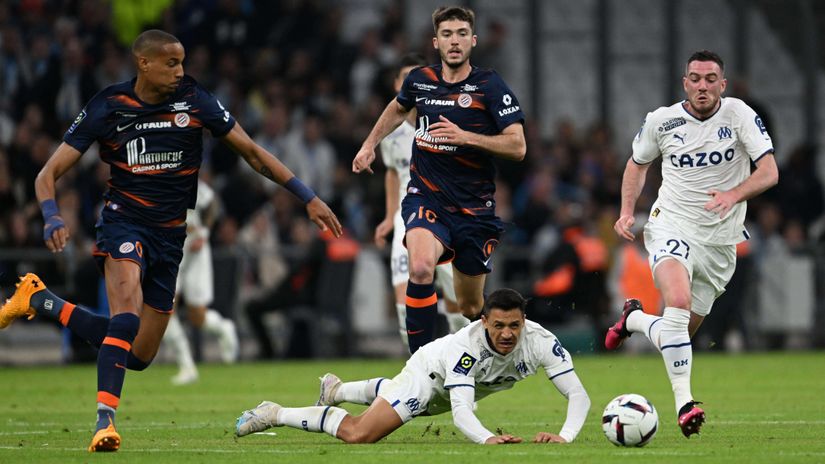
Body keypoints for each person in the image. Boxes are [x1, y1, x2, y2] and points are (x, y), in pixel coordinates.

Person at [0, 30, 341, 452]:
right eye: (171, 63)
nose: (181, 71)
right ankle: (104, 422)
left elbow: (251, 152)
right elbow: (46, 174)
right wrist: (52, 216)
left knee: (139, 354)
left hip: (171, 234)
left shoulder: (196, 101)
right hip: (123, 224)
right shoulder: (109, 105)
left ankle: (39, 300)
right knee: (124, 319)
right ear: (144, 64)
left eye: (182, 62)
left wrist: (307, 197)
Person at [605, 50, 779, 437]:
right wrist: (626, 211)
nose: (702, 86)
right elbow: (637, 163)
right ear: (685, 82)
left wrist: (733, 195)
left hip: (720, 242)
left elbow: (769, 171)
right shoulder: (661, 121)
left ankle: (633, 319)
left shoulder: (739, 115)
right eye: (695, 79)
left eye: (710, 79)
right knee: (678, 303)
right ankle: (685, 404)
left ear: (723, 84)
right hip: (671, 225)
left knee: (679, 332)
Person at [353, 6, 526, 354]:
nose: (455, 41)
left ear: (473, 41)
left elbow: (518, 145)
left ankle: (502, 352)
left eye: (462, 33)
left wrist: (467, 137)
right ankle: (420, 365)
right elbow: (397, 107)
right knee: (419, 269)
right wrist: (370, 144)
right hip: (426, 198)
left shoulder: (489, 85)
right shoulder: (419, 80)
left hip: (473, 208)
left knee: (469, 306)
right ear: (436, 42)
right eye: (447, 34)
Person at [234, 288, 590, 445]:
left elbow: (577, 394)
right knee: (361, 434)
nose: (508, 334)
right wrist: (487, 439)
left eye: (514, 325)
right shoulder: (467, 348)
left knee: (392, 396)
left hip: (446, 391)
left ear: (524, 322)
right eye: (499, 326)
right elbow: (462, 411)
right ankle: (275, 412)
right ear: (484, 323)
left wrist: (565, 436)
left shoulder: (541, 341)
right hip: (427, 378)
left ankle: (337, 391)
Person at [374, 52, 469, 350]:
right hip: (407, 218)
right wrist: (390, 217)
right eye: (405, 77)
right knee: (406, 298)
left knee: (458, 304)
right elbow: (392, 172)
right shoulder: (389, 130)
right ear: (396, 84)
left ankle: (462, 362)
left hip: (443, 216)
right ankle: (418, 371)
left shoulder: (445, 120)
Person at [162, 178, 239, 386]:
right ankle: (186, 366)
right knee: (165, 308)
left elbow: (212, 202)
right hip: (168, 247)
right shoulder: (148, 178)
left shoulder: (183, 174)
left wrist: (204, 232)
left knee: (197, 316)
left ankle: (224, 327)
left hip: (194, 245)